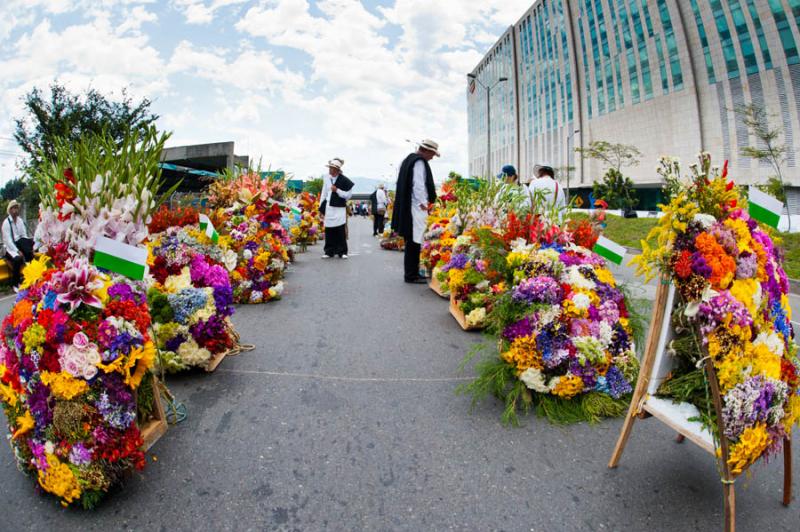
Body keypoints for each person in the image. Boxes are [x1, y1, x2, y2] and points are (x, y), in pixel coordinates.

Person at [392, 139, 438, 283]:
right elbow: (418, 185)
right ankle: (411, 275)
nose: (432, 157)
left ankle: (412, 272)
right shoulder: (419, 162)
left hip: (409, 206)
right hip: (416, 207)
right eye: (432, 154)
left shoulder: (408, 160)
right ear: (426, 150)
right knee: (414, 239)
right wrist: (424, 204)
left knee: (411, 239)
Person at [319, 158, 354, 258]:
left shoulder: (344, 180)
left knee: (340, 230)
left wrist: (337, 190)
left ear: (338, 170)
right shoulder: (326, 178)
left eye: (333, 168)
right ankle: (329, 251)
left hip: (339, 208)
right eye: (330, 168)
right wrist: (320, 208)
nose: (330, 170)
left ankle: (342, 251)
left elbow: (348, 195)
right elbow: (324, 194)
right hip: (329, 207)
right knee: (329, 230)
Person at [2, 200, 33, 286]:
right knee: (17, 259)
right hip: (10, 248)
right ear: (10, 210)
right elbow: (8, 241)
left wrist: (28, 246)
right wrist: (17, 251)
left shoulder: (20, 220)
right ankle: (15, 283)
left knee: (30, 252)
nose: (16, 210)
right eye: (14, 208)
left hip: (20, 243)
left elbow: (24, 235)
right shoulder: (6, 223)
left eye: (17, 208)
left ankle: (29, 276)